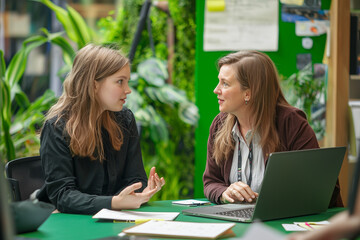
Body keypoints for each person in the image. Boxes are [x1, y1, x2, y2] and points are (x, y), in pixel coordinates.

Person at [36, 44, 165, 215]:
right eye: (120, 81)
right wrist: (114, 202)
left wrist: (139, 192)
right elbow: (63, 196)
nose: (128, 90)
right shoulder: (56, 128)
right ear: (94, 85)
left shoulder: (125, 120)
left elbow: (135, 178)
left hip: (114, 219)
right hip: (68, 224)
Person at [203, 50, 342, 207]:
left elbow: (323, 189)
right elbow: (211, 181)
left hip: (285, 222)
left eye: (225, 83)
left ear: (248, 93)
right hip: (236, 219)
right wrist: (224, 193)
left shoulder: (291, 123)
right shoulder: (219, 125)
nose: (216, 90)